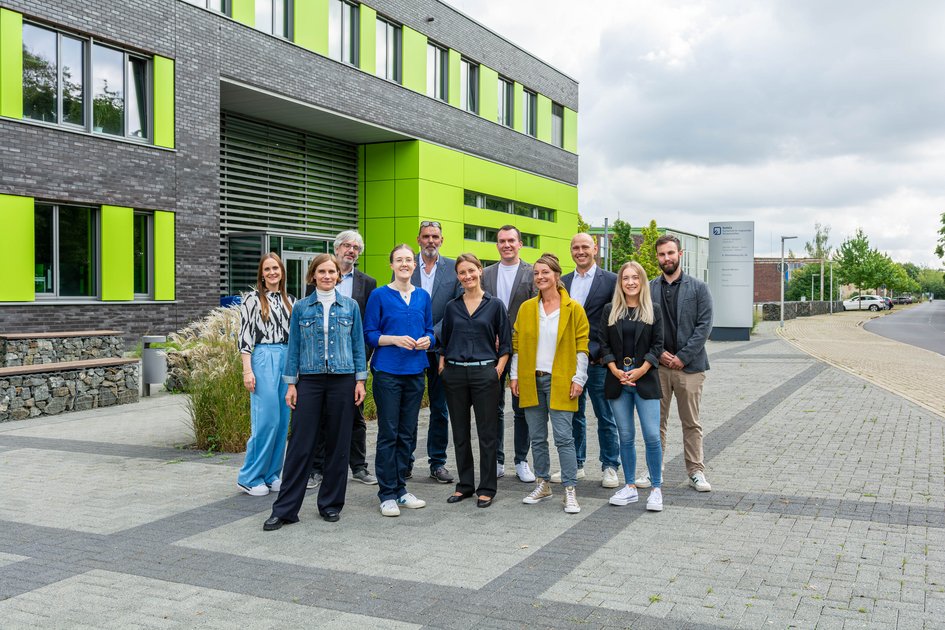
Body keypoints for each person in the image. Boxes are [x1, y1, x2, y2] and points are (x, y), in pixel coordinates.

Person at [263, 254, 366, 530]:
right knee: (300, 446)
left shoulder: (351, 306)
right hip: (309, 381)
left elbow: (358, 345)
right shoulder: (301, 307)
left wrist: (360, 381)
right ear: (313, 276)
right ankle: (284, 510)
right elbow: (294, 347)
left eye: (331, 271)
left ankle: (330, 505)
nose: (327, 276)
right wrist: (291, 384)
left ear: (338, 276)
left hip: (343, 381)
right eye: (321, 271)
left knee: (338, 445)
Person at [511, 253, 589, 514]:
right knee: (537, 437)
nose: (540, 277)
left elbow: (582, 347)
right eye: (536, 273)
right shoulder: (527, 308)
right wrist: (514, 376)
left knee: (564, 438)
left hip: (561, 381)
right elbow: (517, 346)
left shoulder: (574, 308)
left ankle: (569, 489)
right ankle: (543, 483)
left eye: (545, 272)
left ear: (557, 276)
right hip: (532, 379)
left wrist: (579, 378)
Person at [364, 244, 435, 517]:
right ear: (391, 265)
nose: (405, 264)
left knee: (408, 434)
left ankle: (401, 489)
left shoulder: (423, 296)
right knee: (389, 433)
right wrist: (393, 339)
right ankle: (387, 493)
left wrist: (430, 339)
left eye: (409, 260)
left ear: (414, 265)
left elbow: (429, 329)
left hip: (416, 371)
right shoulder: (379, 295)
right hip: (388, 372)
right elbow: (370, 333)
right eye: (399, 260)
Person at [639, 235, 713, 492]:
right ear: (657, 257)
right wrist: (659, 354)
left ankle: (696, 471)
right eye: (661, 254)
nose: (666, 258)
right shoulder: (649, 288)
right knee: (655, 422)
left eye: (671, 253)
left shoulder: (698, 288)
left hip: (689, 368)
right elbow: (644, 325)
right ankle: (653, 470)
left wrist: (682, 356)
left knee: (691, 421)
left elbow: (704, 326)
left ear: (680, 254)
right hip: (658, 367)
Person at [438, 254, 511, 508]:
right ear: (457, 276)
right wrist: (443, 368)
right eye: (462, 273)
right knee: (459, 432)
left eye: (471, 270)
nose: (467, 276)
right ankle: (465, 485)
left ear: (480, 271)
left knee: (487, 434)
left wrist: (497, 371)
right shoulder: (452, 306)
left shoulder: (495, 305)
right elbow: (444, 343)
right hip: (455, 374)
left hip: (484, 374)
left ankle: (487, 487)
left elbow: (506, 345)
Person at [305, 230, 377, 489]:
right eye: (347, 246)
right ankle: (317, 468)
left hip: (350, 364)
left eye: (356, 247)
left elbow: (365, 325)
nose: (351, 250)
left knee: (356, 417)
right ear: (336, 249)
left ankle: (358, 466)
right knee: (322, 417)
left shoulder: (368, 283)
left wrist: (363, 364)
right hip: (320, 365)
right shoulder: (320, 277)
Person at [600, 261, 665, 512]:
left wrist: (642, 369)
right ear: (620, 283)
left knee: (651, 436)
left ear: (642, 281)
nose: (630, 282)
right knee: (625, 436)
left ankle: (656, 488)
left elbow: (658, 345)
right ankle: (629, 487)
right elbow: (603, 344)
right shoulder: (610, 310)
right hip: (618, 382)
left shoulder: (653, 310)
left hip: (645, 380)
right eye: (625, 278)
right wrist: (615, 369)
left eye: (635, 278)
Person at [560, 233, 620, 488]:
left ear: (595, 248)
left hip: (597, 362)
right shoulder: (562, 282)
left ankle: (609, 466)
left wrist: (606, 355)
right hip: (569, 360)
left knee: (605, 415)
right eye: (576, 247)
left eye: (585, 246)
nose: (580, 251)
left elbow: (615, 322)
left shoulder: (611, 281)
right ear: (571, 251)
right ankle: (576, 464)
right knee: (574, 415)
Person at [406, 220, 462, 484]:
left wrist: (433, 335)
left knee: (440, 408)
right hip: (411, 348)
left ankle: (437, 462)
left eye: (435, 236)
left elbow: (458, 306)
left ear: (442, 240)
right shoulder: (406, 266)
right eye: (426, 236)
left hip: (441, 348)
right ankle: (404, 461)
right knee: (410, 407)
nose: (430, 240)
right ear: (418, 239)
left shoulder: (453, 268)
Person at [236, 253, 294, 497]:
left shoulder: (291, 300)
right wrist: (247, 370)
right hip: (262, 357)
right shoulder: (251, 300)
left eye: (276, 268)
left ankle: (271, 474)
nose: (272, 272)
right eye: (268, 269)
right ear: (262, 274)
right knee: (266, 420)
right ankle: (250, 476)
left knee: (282, 421)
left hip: (286, 357)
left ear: (282, 272)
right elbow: (245, 336)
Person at [482, 225, 536, 483]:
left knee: (521, 407)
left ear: (520, 244)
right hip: (491, 349)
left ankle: (521, 460)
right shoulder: (486, 273)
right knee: (494, 407)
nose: (506, 245)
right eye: (502, 241)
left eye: (511, 240)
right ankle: (498, 459)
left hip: (522, 350)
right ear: (497, 245)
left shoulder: (532, 273)